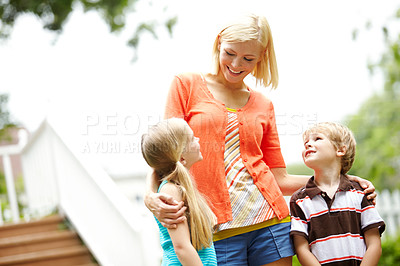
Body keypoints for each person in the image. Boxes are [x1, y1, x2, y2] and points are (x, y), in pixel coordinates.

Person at [144, 13, 376, 266]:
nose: (236, 64)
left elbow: (279, 179)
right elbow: (166, 156)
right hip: (216, 230)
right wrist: (149, 196)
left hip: (269, 224)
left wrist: (345, 181)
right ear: (219, 43)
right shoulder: (185, 85)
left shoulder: (264, 105)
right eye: (230, 53)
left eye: (248, 58)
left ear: (261, 57)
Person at [290, 122, 385, 265]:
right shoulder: (299, 200)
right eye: (306, 142)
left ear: (340, 150)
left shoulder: (360, 192)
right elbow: (301, 248)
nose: (308, 144)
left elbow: (374, 244)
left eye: (317, 139)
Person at [141, 118, 217, 266]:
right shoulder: (170, 190)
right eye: (192, 139)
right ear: (182, 157)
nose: (198, 139)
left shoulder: (182, 187)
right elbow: (181, 248)